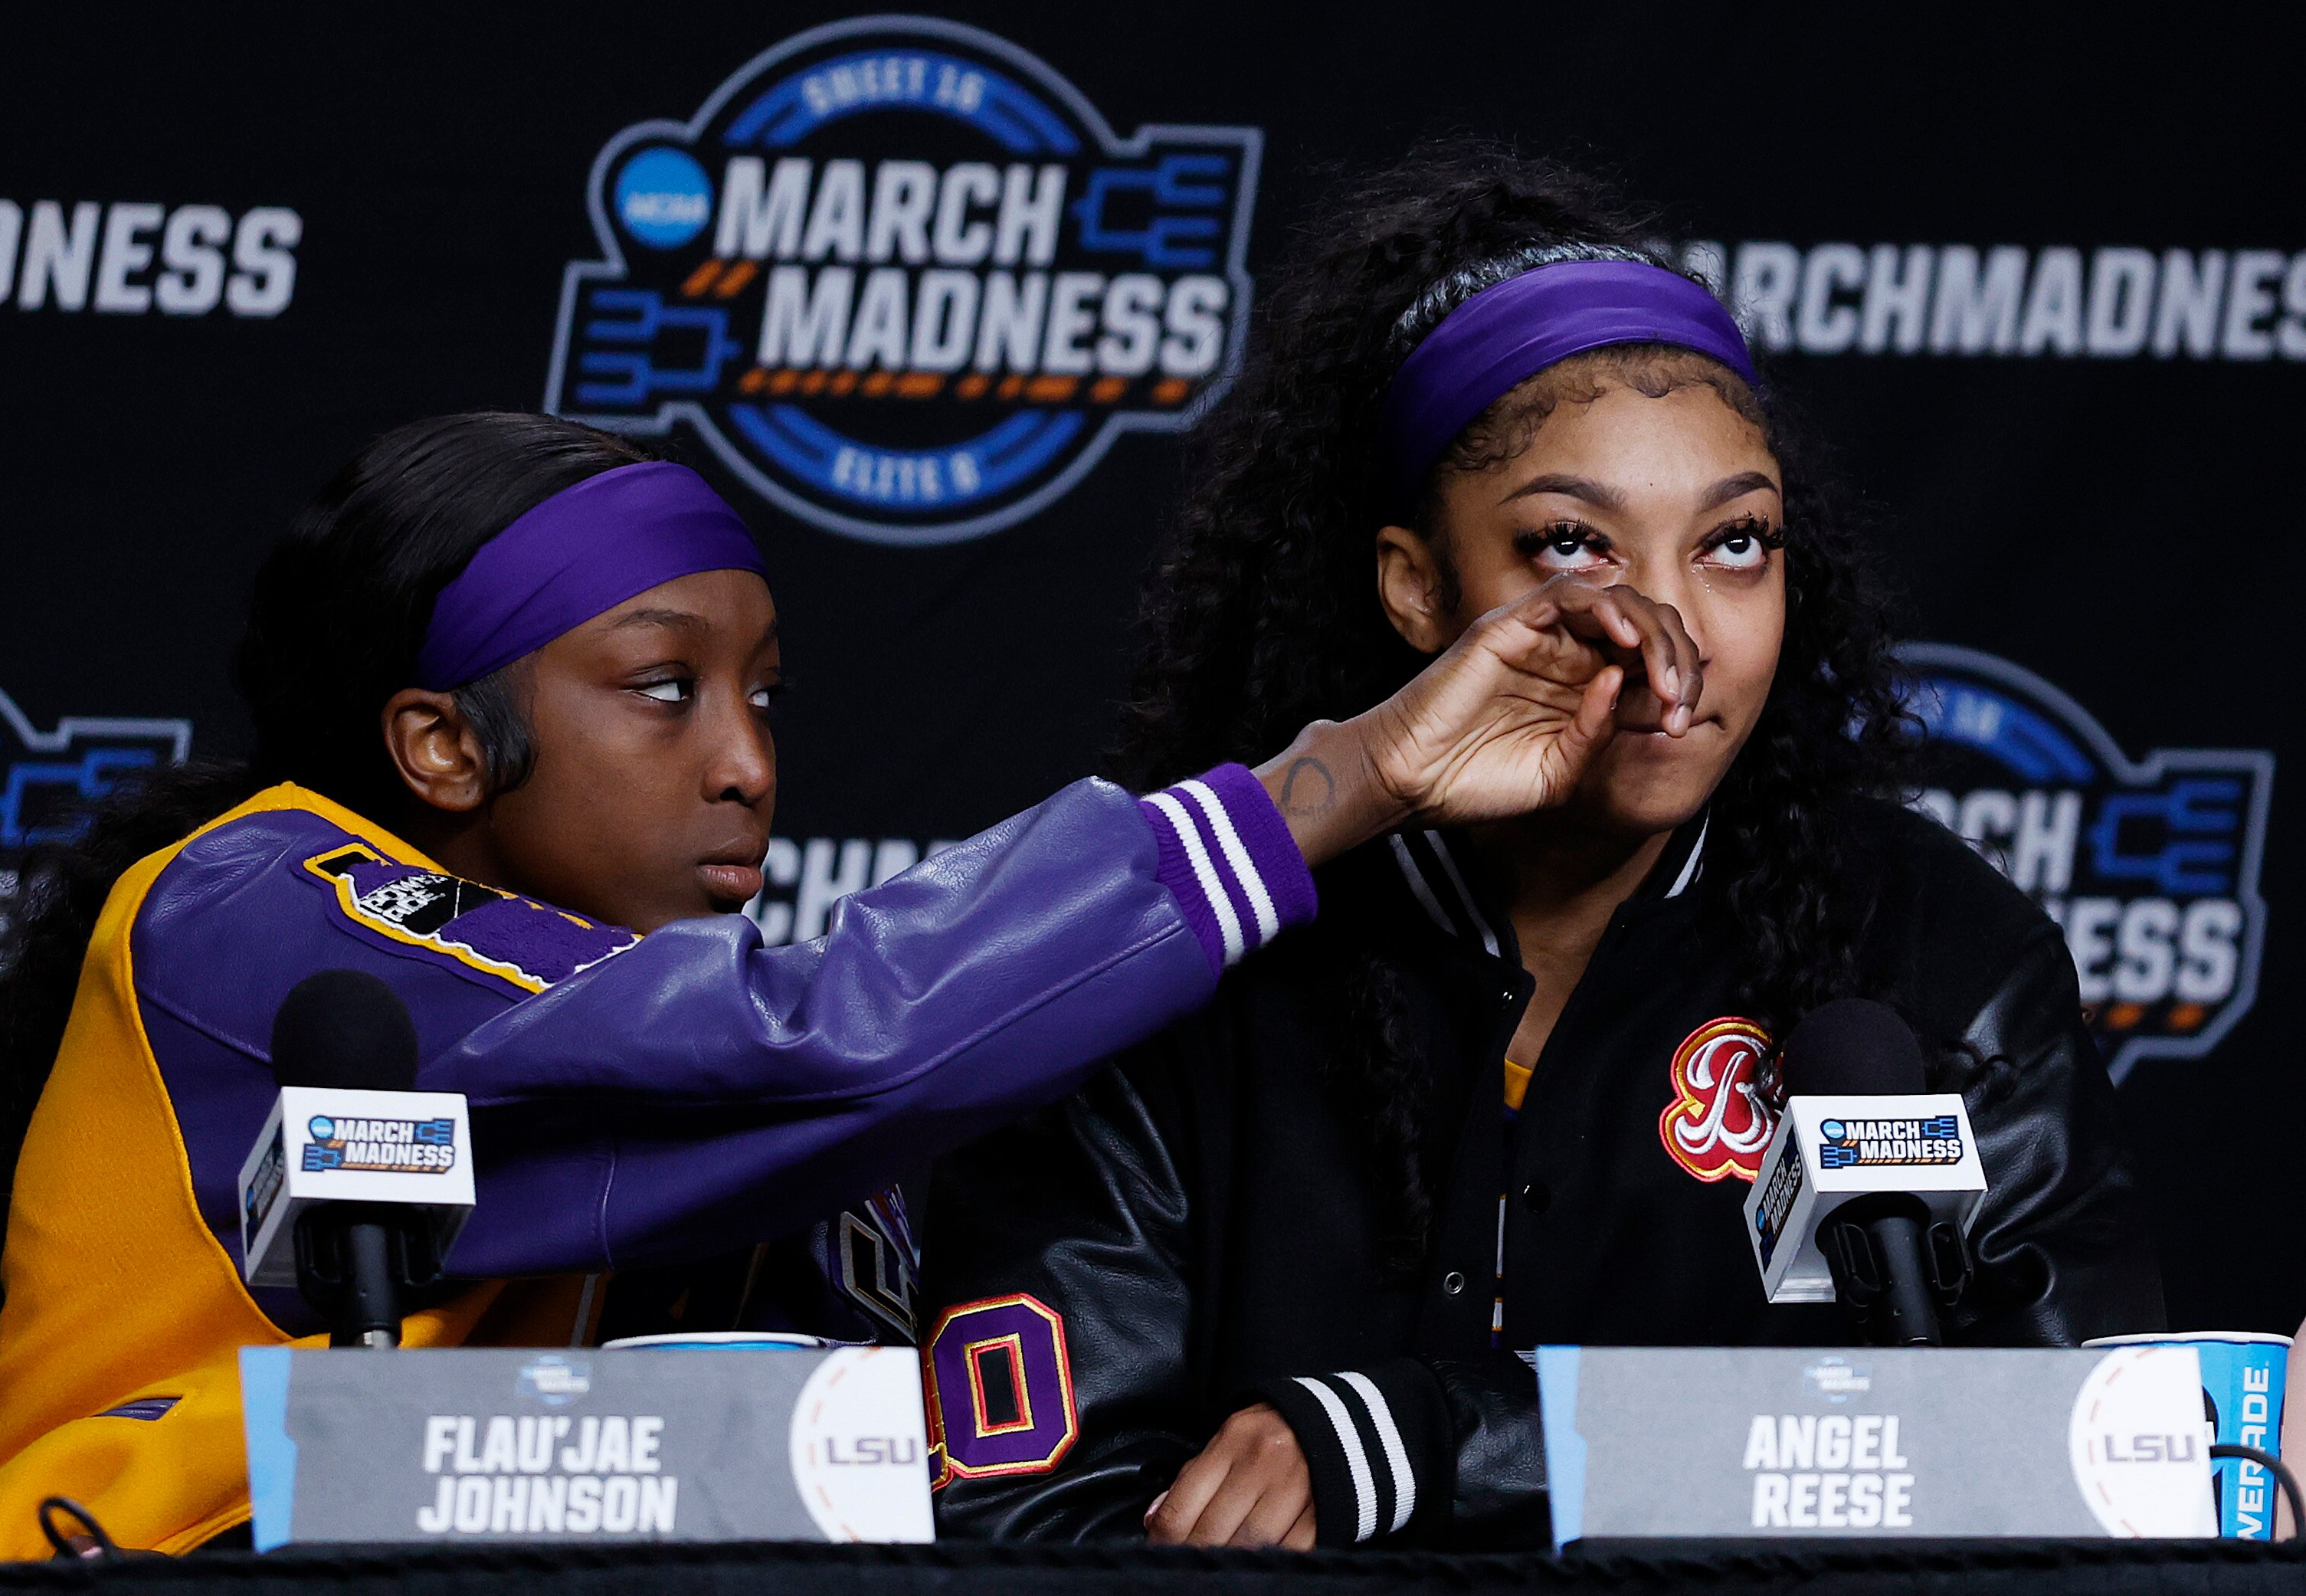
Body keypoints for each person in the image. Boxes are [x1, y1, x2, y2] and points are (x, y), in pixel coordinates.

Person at [0, 411, 1700, 1562]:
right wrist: (1329, 787)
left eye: (767, 696)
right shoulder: (254, 900)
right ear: (436, 745)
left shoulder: (681, 1029)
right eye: (664, 688)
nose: (746, 762)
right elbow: (817, 1045)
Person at [916, 146, 2165, 1552]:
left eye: (1734, 544)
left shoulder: (1933, 949)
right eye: (1573, 547)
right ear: (1414, 583)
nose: (1665, 640)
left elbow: (2067, 1466)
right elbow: (1028, 1512)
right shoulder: (1183, 957)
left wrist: (1439, 1443)